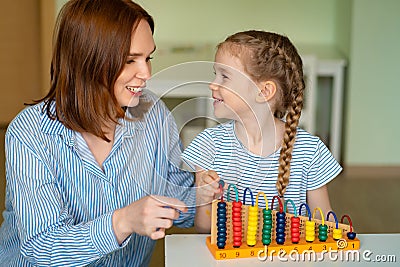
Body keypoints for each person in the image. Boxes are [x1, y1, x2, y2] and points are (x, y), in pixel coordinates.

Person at [0, 0, 195, 266]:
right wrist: (123, 221)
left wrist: (213, 190)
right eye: (130, 60)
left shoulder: (154, 114)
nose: (146, 73)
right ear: (88, 60)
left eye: (148, 58)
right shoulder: (31, 133)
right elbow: (43, 247)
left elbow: (179, 199)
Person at [181, 30, 342, 233]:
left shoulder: (310, 151)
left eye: (225, 77)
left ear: (264, 91)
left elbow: (323, 224)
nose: (213, 85)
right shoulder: (207, 145)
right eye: (216, 75)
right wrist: (204, 199)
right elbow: (204, 227)